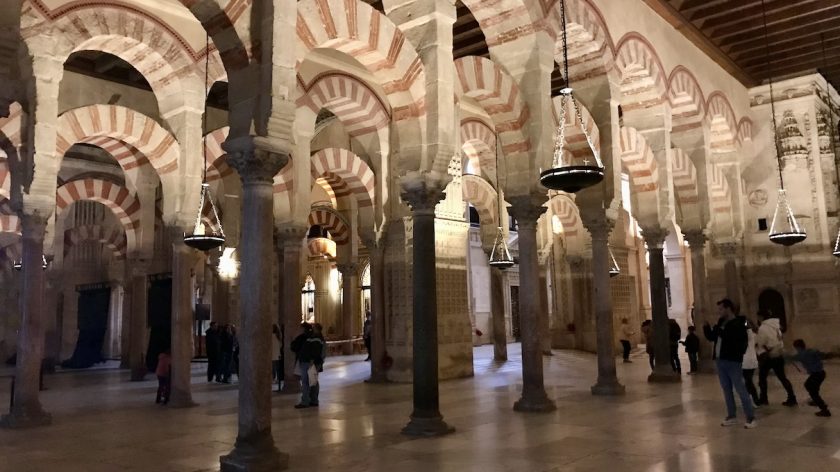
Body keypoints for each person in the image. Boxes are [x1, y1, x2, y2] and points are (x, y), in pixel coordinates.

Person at [703, 298, 756, 429]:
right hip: (720, 360)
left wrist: (720, 329)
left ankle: (751, 417)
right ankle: (731, 416)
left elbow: (736, 338)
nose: (719, 312)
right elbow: (712, 337)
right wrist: (705, 326)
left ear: (728, 309)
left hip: (733, 361)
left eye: (721, 309)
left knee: (740, 389)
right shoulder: (721, 322)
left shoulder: (740, 322)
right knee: (726, 390)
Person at [756, 311, 796, 406]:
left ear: (761, 317)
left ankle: (763, 398)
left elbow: (761, 342)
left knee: (762, 378)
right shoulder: (776, 326)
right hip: (778, 354)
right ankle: (792, 397)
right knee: (782, 377)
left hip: (768, 356)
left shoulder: (763, 328)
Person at [787, 339, 831, 417]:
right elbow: (821, 354)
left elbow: (792, 358)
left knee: (811, 388)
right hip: (821, 373)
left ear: (797, 347)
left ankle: (824, 409)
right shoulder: (810, 351)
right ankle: (816, 400)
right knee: (810, 386)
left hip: (816, 374)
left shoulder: (802, 354)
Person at [291, 323, 316, 408]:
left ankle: (305, 401)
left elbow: (293, 347)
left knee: (305, 382)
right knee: (313, 381)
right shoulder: (314, 337)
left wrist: (294, 339)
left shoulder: (302, 337)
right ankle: (314, 400)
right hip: (313, 361)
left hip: (305, 361)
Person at [308, 323, 327, 407]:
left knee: (313, 380)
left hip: (315, 361)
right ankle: (313, 398)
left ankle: (314, 400)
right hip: (318, 361)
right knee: (313, 379)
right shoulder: (319, 337)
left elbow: (316, 351)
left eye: (314, 327)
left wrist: (313, 360)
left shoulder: (318, 338)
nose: (312, 328)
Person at [742, 320, 760, 407]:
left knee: (748, 382)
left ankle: (753, 400)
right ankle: (752, 399)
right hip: (752, 360)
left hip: (746, 361)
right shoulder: (755, 335)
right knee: (748, 381)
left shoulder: (745, 335)